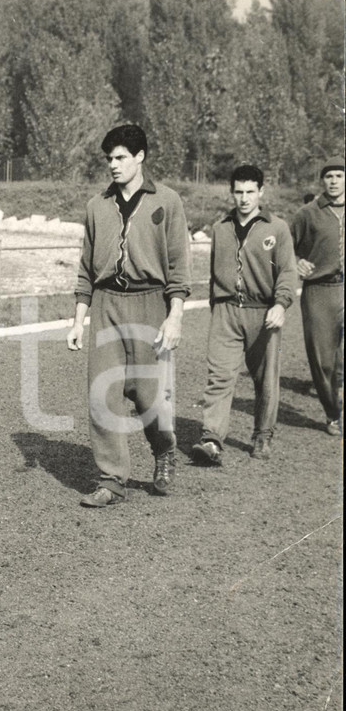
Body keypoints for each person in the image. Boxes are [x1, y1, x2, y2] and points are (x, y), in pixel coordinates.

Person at [66, 124, 191, 508]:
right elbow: (86, 269)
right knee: (102, 394)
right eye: (109, 159)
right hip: (106, 305)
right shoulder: (96, 206)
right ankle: (111, 480)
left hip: (151, 303)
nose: (113, 165)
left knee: (150, 396)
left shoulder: (167, 202)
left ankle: (164, 448)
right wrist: (78, 320)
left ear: (140, 157)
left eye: (120, 157)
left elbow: (179, 267)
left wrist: (175, 317)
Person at [190, 165, 297, 465]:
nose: (244, 198)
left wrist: (280, 303)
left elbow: (288, 272)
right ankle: (211, 439)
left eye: (250, 191)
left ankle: (262, 434)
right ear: (231, 192)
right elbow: (214, 273)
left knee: (265, 379)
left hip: (263, 313)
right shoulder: (220, 228)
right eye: (239, 191)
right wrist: (216, 306)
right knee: (220, 376)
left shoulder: (277, 228)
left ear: (261, 192)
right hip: (226, 312)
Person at [291, 156, 344, 436]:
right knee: (323, 359)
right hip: (320, 291)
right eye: (329, 176)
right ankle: (333, 414)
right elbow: (283, 245)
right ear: (322, 180)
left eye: (339, 175)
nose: (334, 181)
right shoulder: (308, 213)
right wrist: (296, 259)